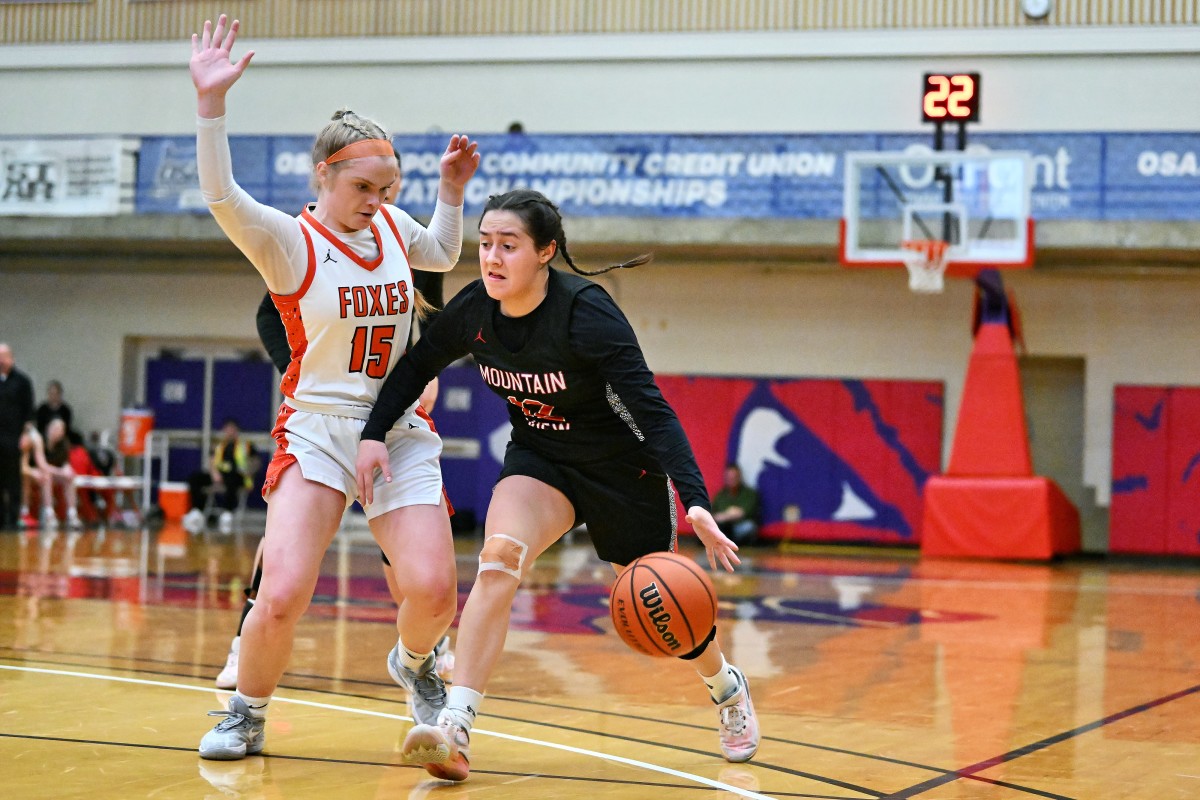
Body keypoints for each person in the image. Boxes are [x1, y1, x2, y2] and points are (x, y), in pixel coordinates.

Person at [356, 188, 761, 782]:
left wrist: (695, 499)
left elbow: (652, 409)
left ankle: (726, 688)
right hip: (541, 458)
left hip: (623, 469)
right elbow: (416, 366)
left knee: (665, 607)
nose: (492, 257)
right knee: (498, 561)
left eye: (509, 245)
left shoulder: (586, 312)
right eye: (485, 244)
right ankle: (456, 728)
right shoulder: (476, 310)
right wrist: (372, 432)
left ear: (545, 252)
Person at [189, 14, 478, 761]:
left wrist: (448, 192)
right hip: (319, 427)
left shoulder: (389, 227)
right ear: (323, 175)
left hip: (400, 428)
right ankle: (245, 713)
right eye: (362, 186)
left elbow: (443, 249)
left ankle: (414, 664)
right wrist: (211, 106)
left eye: (388, 187)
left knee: (435, 591)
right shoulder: (290, 242)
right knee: (281, 591)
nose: (376, 199)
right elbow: (221, 195)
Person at [184, 417, 259, 534]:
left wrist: (249, 471)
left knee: (231, 479)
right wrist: (214, 473)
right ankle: (197, 511)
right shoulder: (219, 446)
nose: (229, 432)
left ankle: (228, 512)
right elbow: (211, 461)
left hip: (239, 476)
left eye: (232, 429)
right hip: (220, 475)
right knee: (196, 478)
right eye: (227, 429)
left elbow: (255, 462)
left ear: (236, 430)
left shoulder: (246, 446)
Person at [0, 343, 35, 530]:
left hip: (13, 438)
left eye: (4, 356)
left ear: (11, 358)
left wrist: (26, 434)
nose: (1, 360)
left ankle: (13, 519)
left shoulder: (22, 382)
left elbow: (29, 412)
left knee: (13, 480)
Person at [41, 418, 83, 531]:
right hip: (38, 472)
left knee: (70, 478)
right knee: (46, 477)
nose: (57, 431)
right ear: (48, 429)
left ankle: (72, 514)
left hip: (54, 472)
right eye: (54, 428)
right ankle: (49, 514)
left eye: (60, 429)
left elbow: (65, 463)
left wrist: (68, 470)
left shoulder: (64, 443)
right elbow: (42, 465)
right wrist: (60, 471)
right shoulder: (41, 442)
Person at [711, 463, 761, 545]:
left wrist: (725, 516)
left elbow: (743, 513)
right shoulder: (720, 495)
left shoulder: (749, 493)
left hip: (739, 527)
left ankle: (733, 542)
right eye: (729, 478)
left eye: (734, 477)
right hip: (723, 528)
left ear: (739, 477)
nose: (732, 480)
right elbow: (714, 515)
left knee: (749, 526)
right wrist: (728, 515)